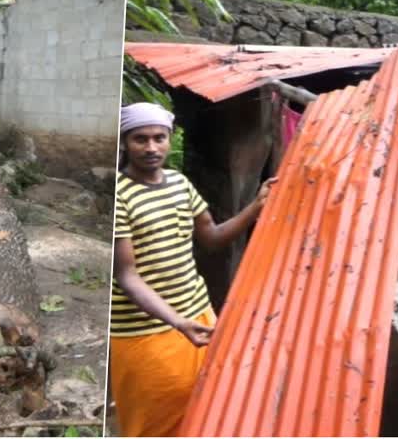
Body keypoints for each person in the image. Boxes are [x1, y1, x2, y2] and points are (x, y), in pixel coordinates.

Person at [110, 102, 277, 436]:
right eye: (140, 139)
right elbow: (127, 276)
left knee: (205, 409)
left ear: (171, 139)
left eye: (159, 138)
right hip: (144, 331)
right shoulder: (118, 196)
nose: (151, 147)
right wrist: (176, 321)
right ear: (125, 143)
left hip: (199, 317)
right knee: (157, 422)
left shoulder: (179, 183)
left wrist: (256, 208)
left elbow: (212, 237)